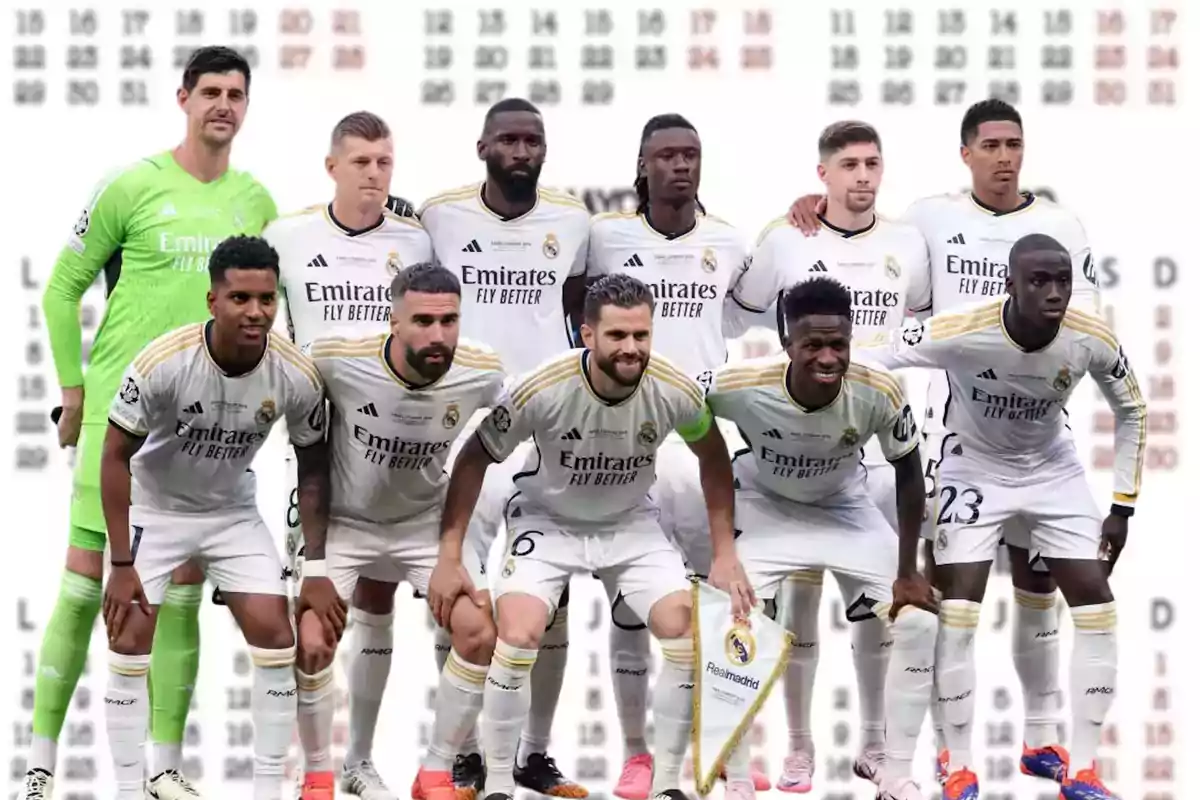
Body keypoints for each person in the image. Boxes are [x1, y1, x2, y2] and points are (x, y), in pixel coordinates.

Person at [785, 99, 1101, 784]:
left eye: (1013, 143)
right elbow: (868, 239)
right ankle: (944, 754)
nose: (1004, 156)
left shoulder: (1061, 225)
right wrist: (814, 204)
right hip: (955, 432)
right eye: (989, 144)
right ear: (966, 154)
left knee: (1038, 582)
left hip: (1040, 434)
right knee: (945, 597)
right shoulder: (931, 218)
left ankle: (1043, 735)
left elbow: (1086, 326)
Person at [28, 46, 277, 800]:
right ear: (183, 98)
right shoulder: (132, 185)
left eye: (236, 93)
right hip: (118, 424)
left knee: (178, 596)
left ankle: (164, 767)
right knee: (83, 591)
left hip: (200, 438)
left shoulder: (256, 201)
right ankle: (39, 763)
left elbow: (274, 311)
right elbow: (61, 288)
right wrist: (73, 391)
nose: (223, 105)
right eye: (210, 91)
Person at [859, 234, 1145, 800]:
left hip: (1052, 471)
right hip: (975, 470)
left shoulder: (1090, 337)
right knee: (959, 611)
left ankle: (1083, 770)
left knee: (1097, 607)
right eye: (1039, 280)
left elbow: (1132, 408)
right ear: (1009, 284)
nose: (1055, 292)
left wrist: (1122, 507)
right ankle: (958, 762)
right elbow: (872, 353)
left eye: (1063, 280)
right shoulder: (962, 329)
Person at [433, 274, 736, 800]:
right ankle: (502, 782)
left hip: (629, 524)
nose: (632, 348)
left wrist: (726, 553)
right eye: (617, 336)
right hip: (547, 520)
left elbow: (713, 456)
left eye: (641, 335)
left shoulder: (675, 389)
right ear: (586, 334)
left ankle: (667, 785)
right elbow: (476, 456)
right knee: (520, 632)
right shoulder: (543, 386)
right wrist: (451, 549)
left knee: (685, 633)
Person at [727, 120, 930, 793]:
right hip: (784, 458)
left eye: (874, 162)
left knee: (884, 614)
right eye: (849, 164)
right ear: (824, 175)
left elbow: (931, 319)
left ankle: (879, 748)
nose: (864, 176)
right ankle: (797, 748)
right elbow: (737, 316)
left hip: (862, 451)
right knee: (795, 615)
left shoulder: (909, 241)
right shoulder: (786, 238)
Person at [99, 235, 325, 800]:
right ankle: (130, 789)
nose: (256, 312)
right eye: (241, 298)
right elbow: (113, 457)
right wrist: (121, 562)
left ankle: (266, 789)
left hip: (231, 512)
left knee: (277, 638)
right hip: (157, 508)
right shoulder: (164, 362)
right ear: (212, 301)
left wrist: (316, 564)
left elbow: (315, 466)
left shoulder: (295, 373)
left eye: (267, 299)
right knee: (129, 635)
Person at [699, 277, 937, 800]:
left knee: (918, 623)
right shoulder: (737, 385)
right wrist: (722, 549)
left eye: (839, 344)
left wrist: (907, 571)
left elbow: (908, 473)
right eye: (813, 345)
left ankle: (895, 772)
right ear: (787, 344)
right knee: (731, 614)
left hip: (844, 510)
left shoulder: (879, 389)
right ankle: (736, 777)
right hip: (769, 509)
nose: (828, 357)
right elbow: (687, 420)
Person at [417, 97, 591, 799]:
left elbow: (587, 300)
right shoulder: (438, 215)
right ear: (483, 146)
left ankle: (534, 752)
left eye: (533, 140)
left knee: (552, 598)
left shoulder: (573, 219)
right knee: (456, 582)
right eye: (509, 140)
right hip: (466, 429)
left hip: (548, 429)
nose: (522, 151)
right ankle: (460, 752)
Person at [583, 112, 760, 798]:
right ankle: (638, 755)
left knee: (721, 600)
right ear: (643, 164)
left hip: (700, 442)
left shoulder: (729, 241)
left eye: (691, 154)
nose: (681, 166)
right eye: (667, 156)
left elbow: (740, 318)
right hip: (624, 441)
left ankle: (726, 753)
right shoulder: (607, 238)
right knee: (633, 602)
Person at [261, 109, 433, 800]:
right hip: (317, 452)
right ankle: (316, 769)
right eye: (361, 161)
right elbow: (256, 331)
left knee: (378, 598)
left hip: (396, 445)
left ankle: (358, 760)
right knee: (316, 611)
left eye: (385, 161)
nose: (373, 173)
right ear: (332, 165)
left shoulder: (415, 239)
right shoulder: (289, 237)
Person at [295, 262, 504, 800]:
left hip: (420, 528)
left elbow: (485, 451)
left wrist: (452, 552)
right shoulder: (337, 359)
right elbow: (294, 418)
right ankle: (323, 774)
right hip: (345, 524)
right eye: (423, 321)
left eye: (449, 321)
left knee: (479, 632)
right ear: (392, 320)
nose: (438, 336)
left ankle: (435, 771)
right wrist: (312, 561)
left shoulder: (483, 374)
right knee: (313, 643)